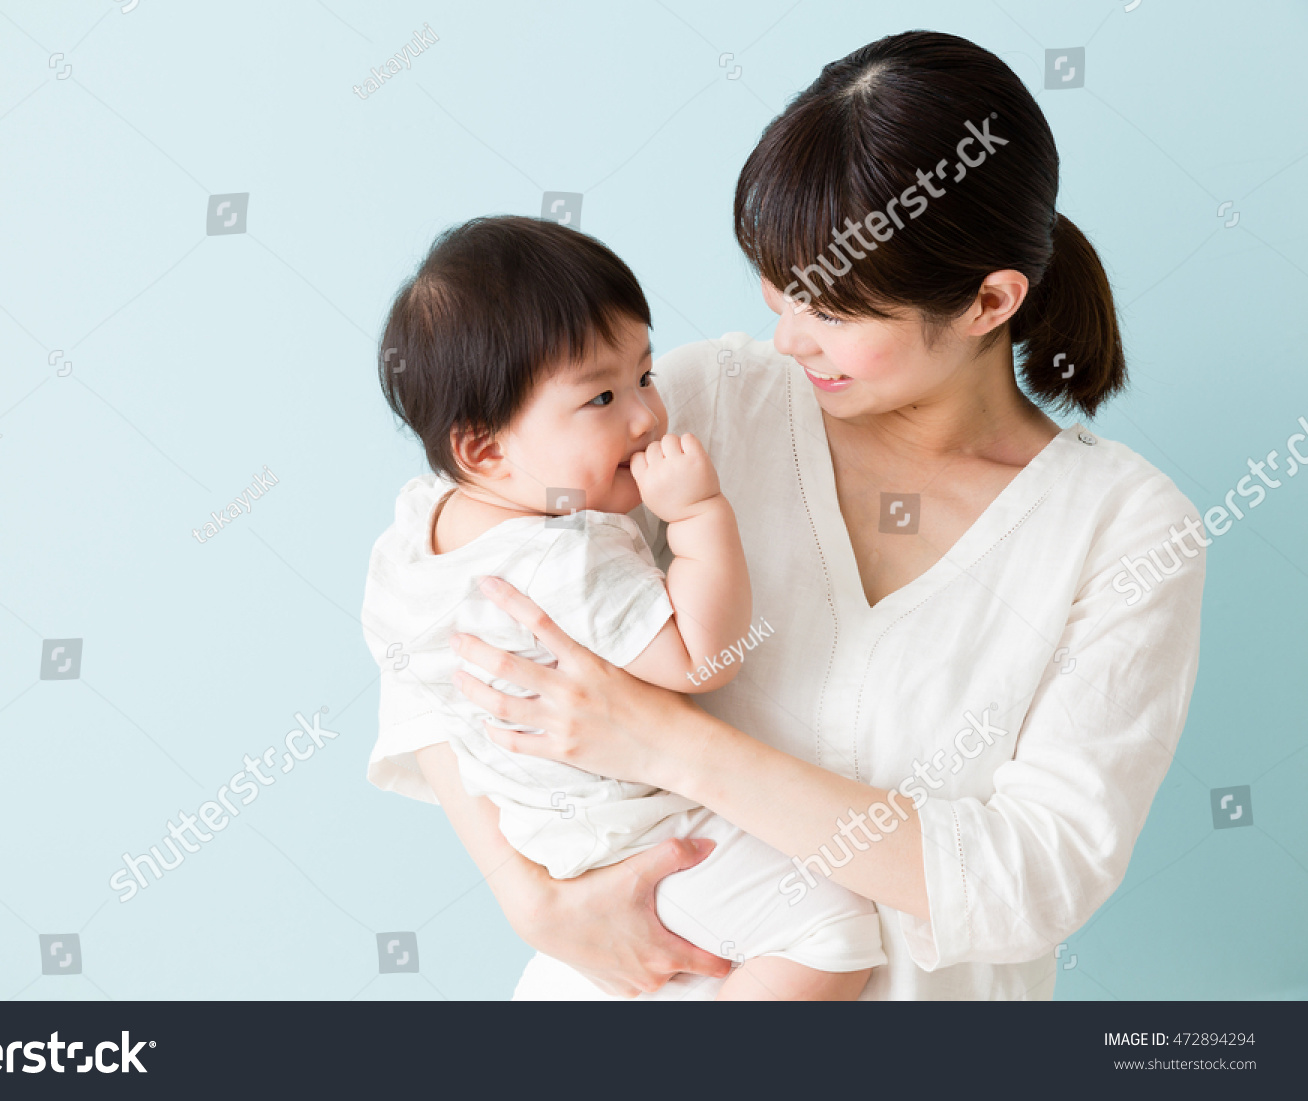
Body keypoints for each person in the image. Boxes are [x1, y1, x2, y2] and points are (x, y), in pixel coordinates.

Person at [438, 30, 1206, 999]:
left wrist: (664, 742)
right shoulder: (702, 402)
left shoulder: (1124, 530)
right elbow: (434, 606)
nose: (787, 338)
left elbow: (1031, 877)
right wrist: (532, 904)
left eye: (834, 309)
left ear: (988, 302)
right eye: (781, 288)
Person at [362, 215, 886, 1000]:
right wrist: (700, 514)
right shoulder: (565, 551)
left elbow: (410, 686)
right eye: (601, 396)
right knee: (832, 929)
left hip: (545, 840)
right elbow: (704, 656)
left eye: (645, 374)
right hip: (637, 828)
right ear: (485, 449)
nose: (646, 416)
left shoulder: (414, 534)